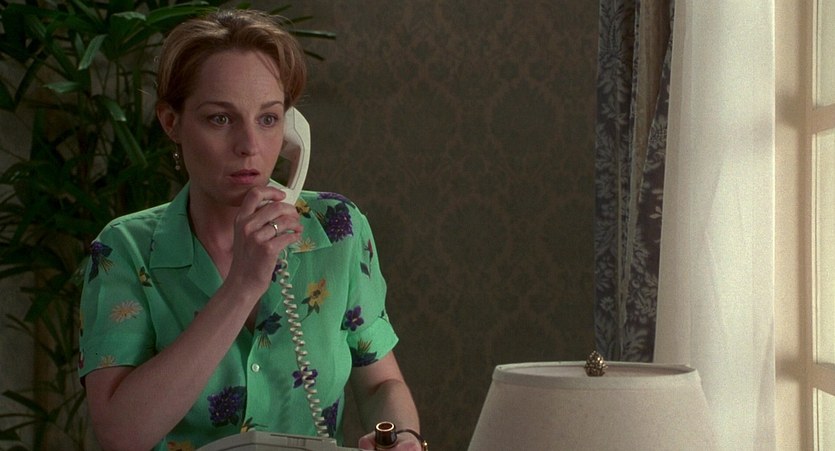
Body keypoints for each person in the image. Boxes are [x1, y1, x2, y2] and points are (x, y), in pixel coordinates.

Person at [78, 9, 423, 451]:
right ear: (171, 122)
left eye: (268, 118)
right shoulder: (123, 249)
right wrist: (241, 286)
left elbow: (380, 384)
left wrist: (400, 435)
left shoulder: (337, 230)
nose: (249, 146)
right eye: (220, 119)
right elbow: (120, 435)